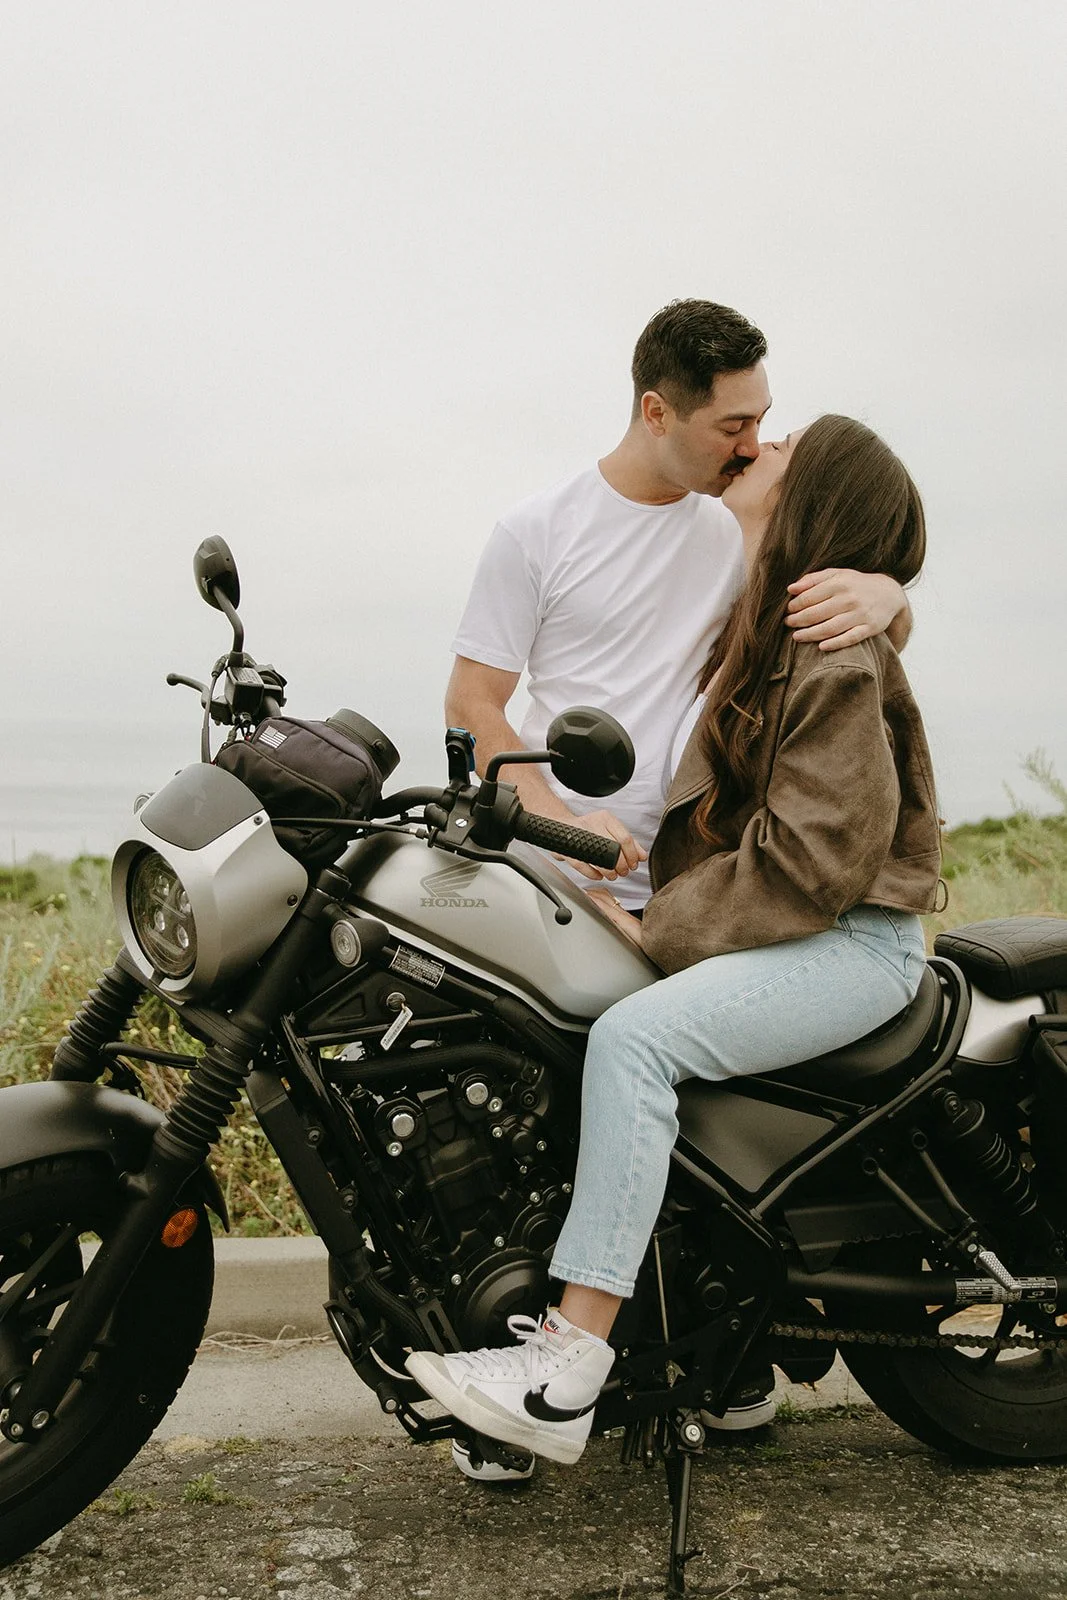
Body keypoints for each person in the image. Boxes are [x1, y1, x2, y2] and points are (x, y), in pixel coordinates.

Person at [409, 414, 943, 1467]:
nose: (762, 441)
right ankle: (687, 1352)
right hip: (789, 925)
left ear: (811, 503)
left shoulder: (823, 641)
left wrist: (657, 927)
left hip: (851, 938)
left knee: (635, 1044)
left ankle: (562, 1376)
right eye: (748, 425)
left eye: (783, 443)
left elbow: (813, 861)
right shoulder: (753, 603)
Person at [446, 299, 913, 914]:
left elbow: (844, 639)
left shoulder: (753, 518)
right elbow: (472, 703)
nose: (753, 446)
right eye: (731, 427)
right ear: (657, 413)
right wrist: (561, 826)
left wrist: (890, 596)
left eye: (759, 420)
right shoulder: (536, 532)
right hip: (550, 880)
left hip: (696, 891)